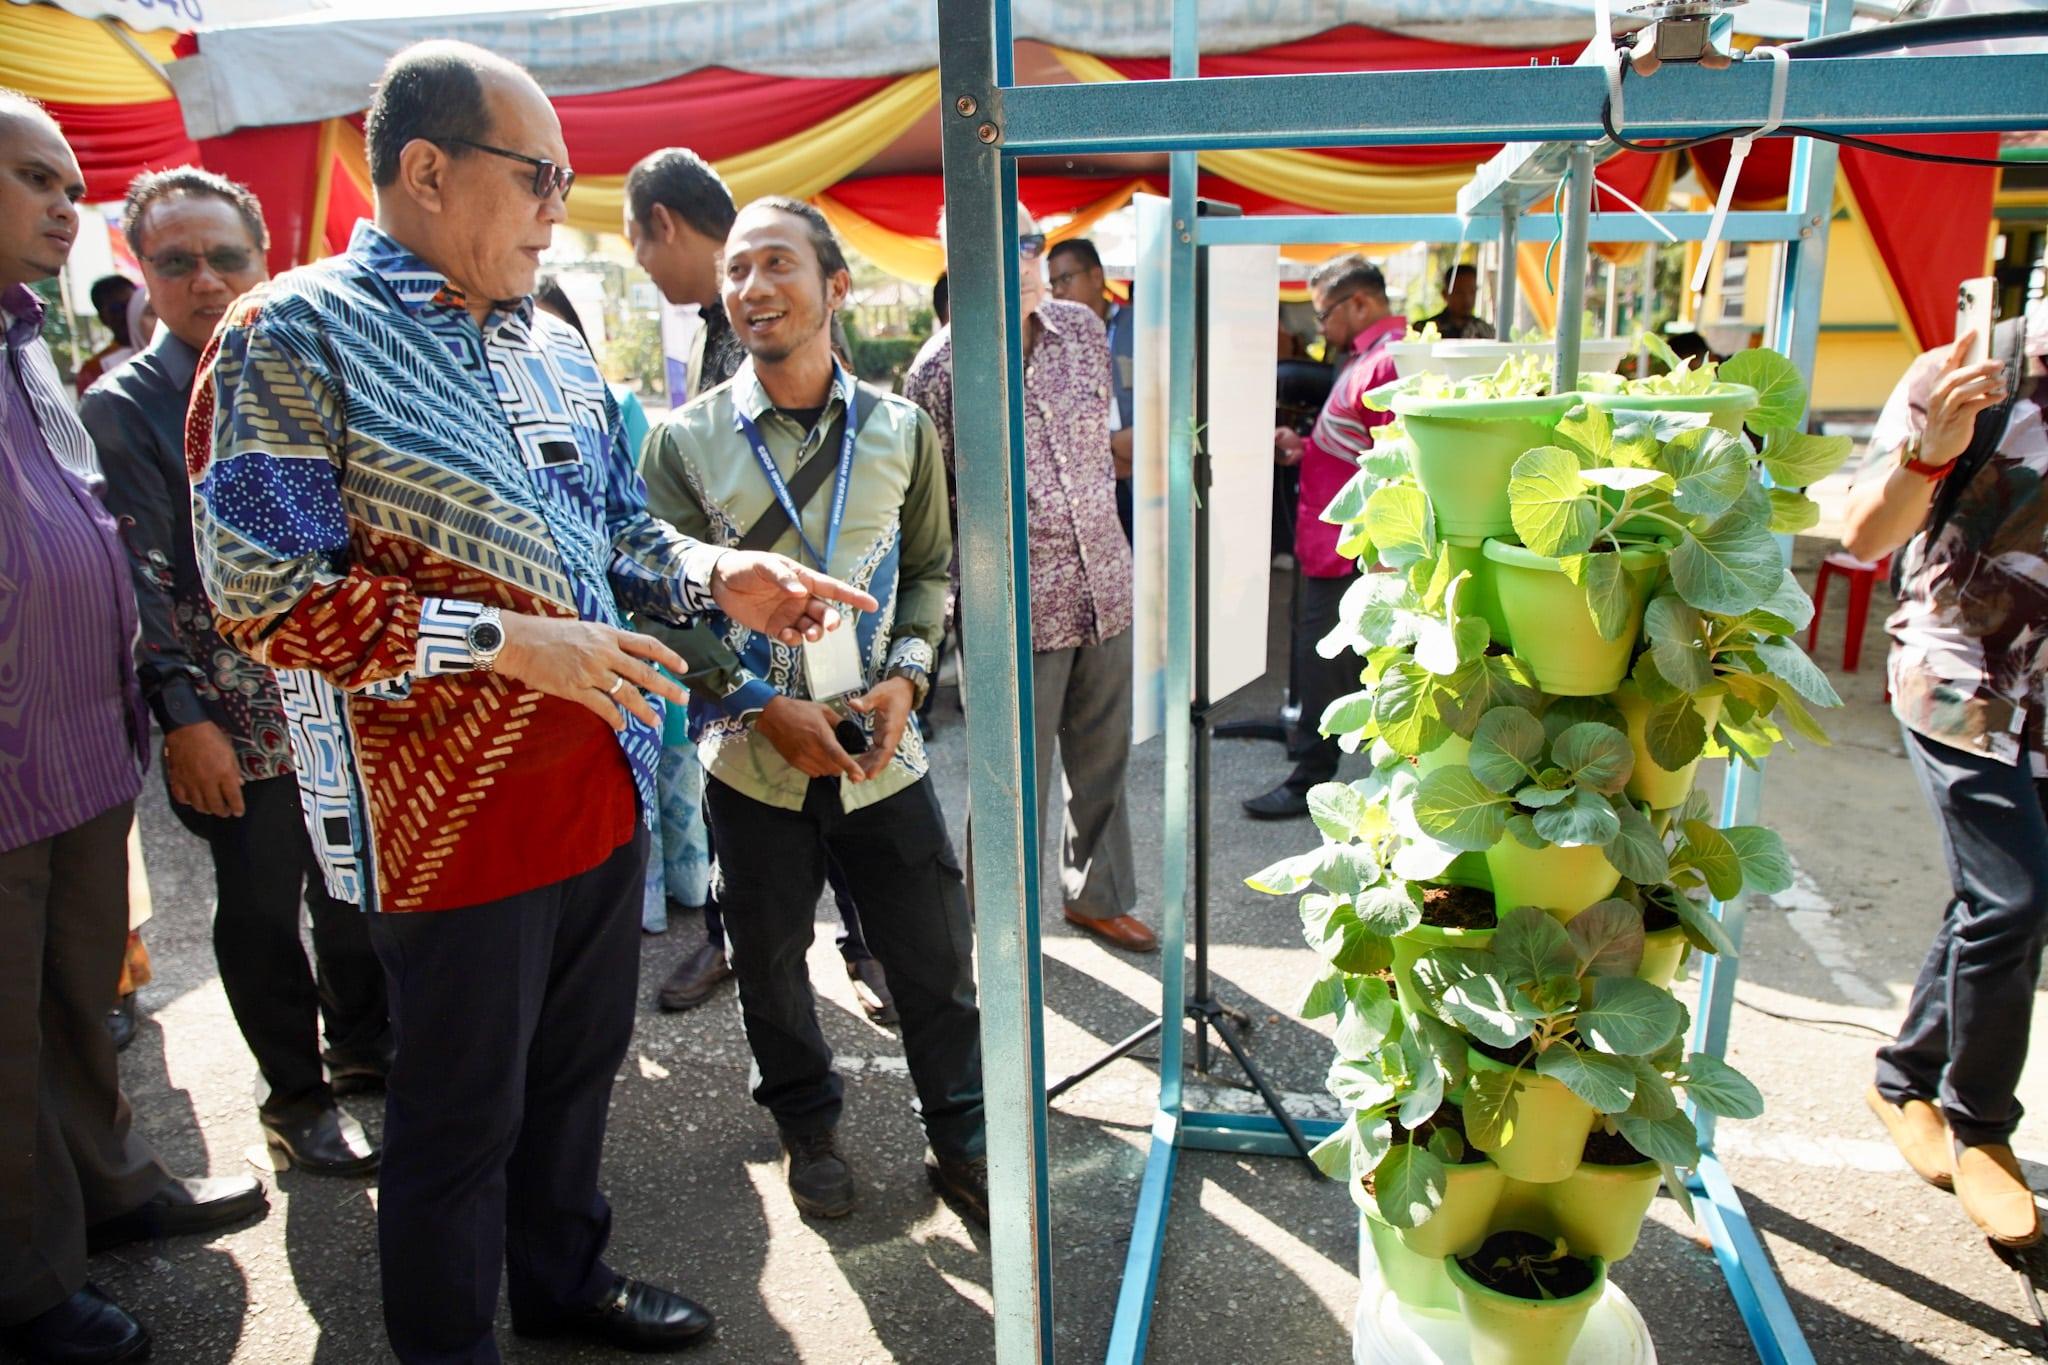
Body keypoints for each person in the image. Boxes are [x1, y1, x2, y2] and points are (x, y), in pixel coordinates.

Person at [185, 45, 875, 1362]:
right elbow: (264, 595)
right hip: (441, 821)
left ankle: (564, 1283)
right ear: (428, 170)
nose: (562, 209)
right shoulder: (291, 334)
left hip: (598, 791)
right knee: (456, 1123)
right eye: (541, 177)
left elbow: (619, 532)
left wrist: (716, 572)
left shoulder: (554, 343)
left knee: (572, 1082)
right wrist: (504, 642)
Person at [640, 196, 988, 1227]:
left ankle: (962, 1138)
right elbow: (652, 597)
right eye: (736, 269)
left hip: (883, 751)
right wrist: (755, 704)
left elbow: (928, 570)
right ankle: (806, 1125)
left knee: (934, 960)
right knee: (769, 962)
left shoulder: (901, 430)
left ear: (836, 285)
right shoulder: (683, 442)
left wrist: (907, 680)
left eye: (777, 264)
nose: (752, 287)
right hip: (754, 761)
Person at [0, 89, 266, 1365]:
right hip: (9, 765)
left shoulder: (28, 346)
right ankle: (25, 1286)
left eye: (69, 184)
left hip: (76, 748)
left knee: (74, 1002)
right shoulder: (115, 385)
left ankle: (108, 1193)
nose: (64, 205)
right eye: (33, 179)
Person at [83, 166, 391, 1179]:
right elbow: (138, 580)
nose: (206, 279)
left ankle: (365, 1051)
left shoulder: (301, 373)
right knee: (261, 909)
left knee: (351, 887)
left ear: (266, 261)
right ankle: (295, 1100)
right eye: (178, 261)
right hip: (229, 714)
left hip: (334, 688)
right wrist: (184, 716)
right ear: (144, 272)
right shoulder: (124, 408)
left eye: (227, 257)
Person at [623, 148, 895, 1024]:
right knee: (751, 842)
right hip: (735, 647)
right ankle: (737, 941)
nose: (645, 268)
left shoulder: (781, 317)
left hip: (818, 623)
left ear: (663, 223)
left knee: (841, 774)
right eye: (738, 271)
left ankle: (861, 945)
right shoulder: (722, 325)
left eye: (639, 248)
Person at [1848, 309, 2048, 1251]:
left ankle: (1904, 1077)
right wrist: (1931, 455)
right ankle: (1981, 1124)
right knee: (2015, 896)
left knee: (1999, 897)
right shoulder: (1975, 367)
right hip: (1962, 673)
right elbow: (1864, 532)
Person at [908, 213, 1154, 953]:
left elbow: (1102, 444)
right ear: (962, 255)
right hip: (1012, 609)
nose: (1024, 258)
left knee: (1103, 758)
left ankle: (1097, 896)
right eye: (1002, 240)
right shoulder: (937, 373)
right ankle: (1000, 925)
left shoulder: (1082, 330)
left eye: (1032, 241)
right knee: (1008, 780)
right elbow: (932, 507)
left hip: (1103, 583)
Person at [1245, 255, 1404, 820]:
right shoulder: (1367, 358)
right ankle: (1310, 758)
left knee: (1324, 664)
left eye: (1323, 314)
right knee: (1316, 657)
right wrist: (1307, 447)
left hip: (1349, 552)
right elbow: (1358, 447)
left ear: (1358, 303)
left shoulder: (1386, 363)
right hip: (1328, 541)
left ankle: (1311, 778)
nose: (1320, 328)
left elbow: (1395, 468)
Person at [1047, 236, 1136, 539]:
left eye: (1066, 278)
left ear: (1096, 276)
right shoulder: (1056, 344)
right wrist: (1109, 445)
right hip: (1091, 484)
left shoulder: (1137, 326)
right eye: (1053, 283)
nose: (1059, 291)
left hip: (1141, 475)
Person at [70, 272, 134, 394]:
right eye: (116, 309)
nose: (127, 312)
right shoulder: (93, 369)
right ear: (103, 318)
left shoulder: (166, 347)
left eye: (132, 304)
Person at [1421, 261, 1494, 340]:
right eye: (1459, 292)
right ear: (1445, 294)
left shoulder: (1486, 332)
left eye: (1472, 292)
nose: (1467, 299)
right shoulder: (1425, 331)